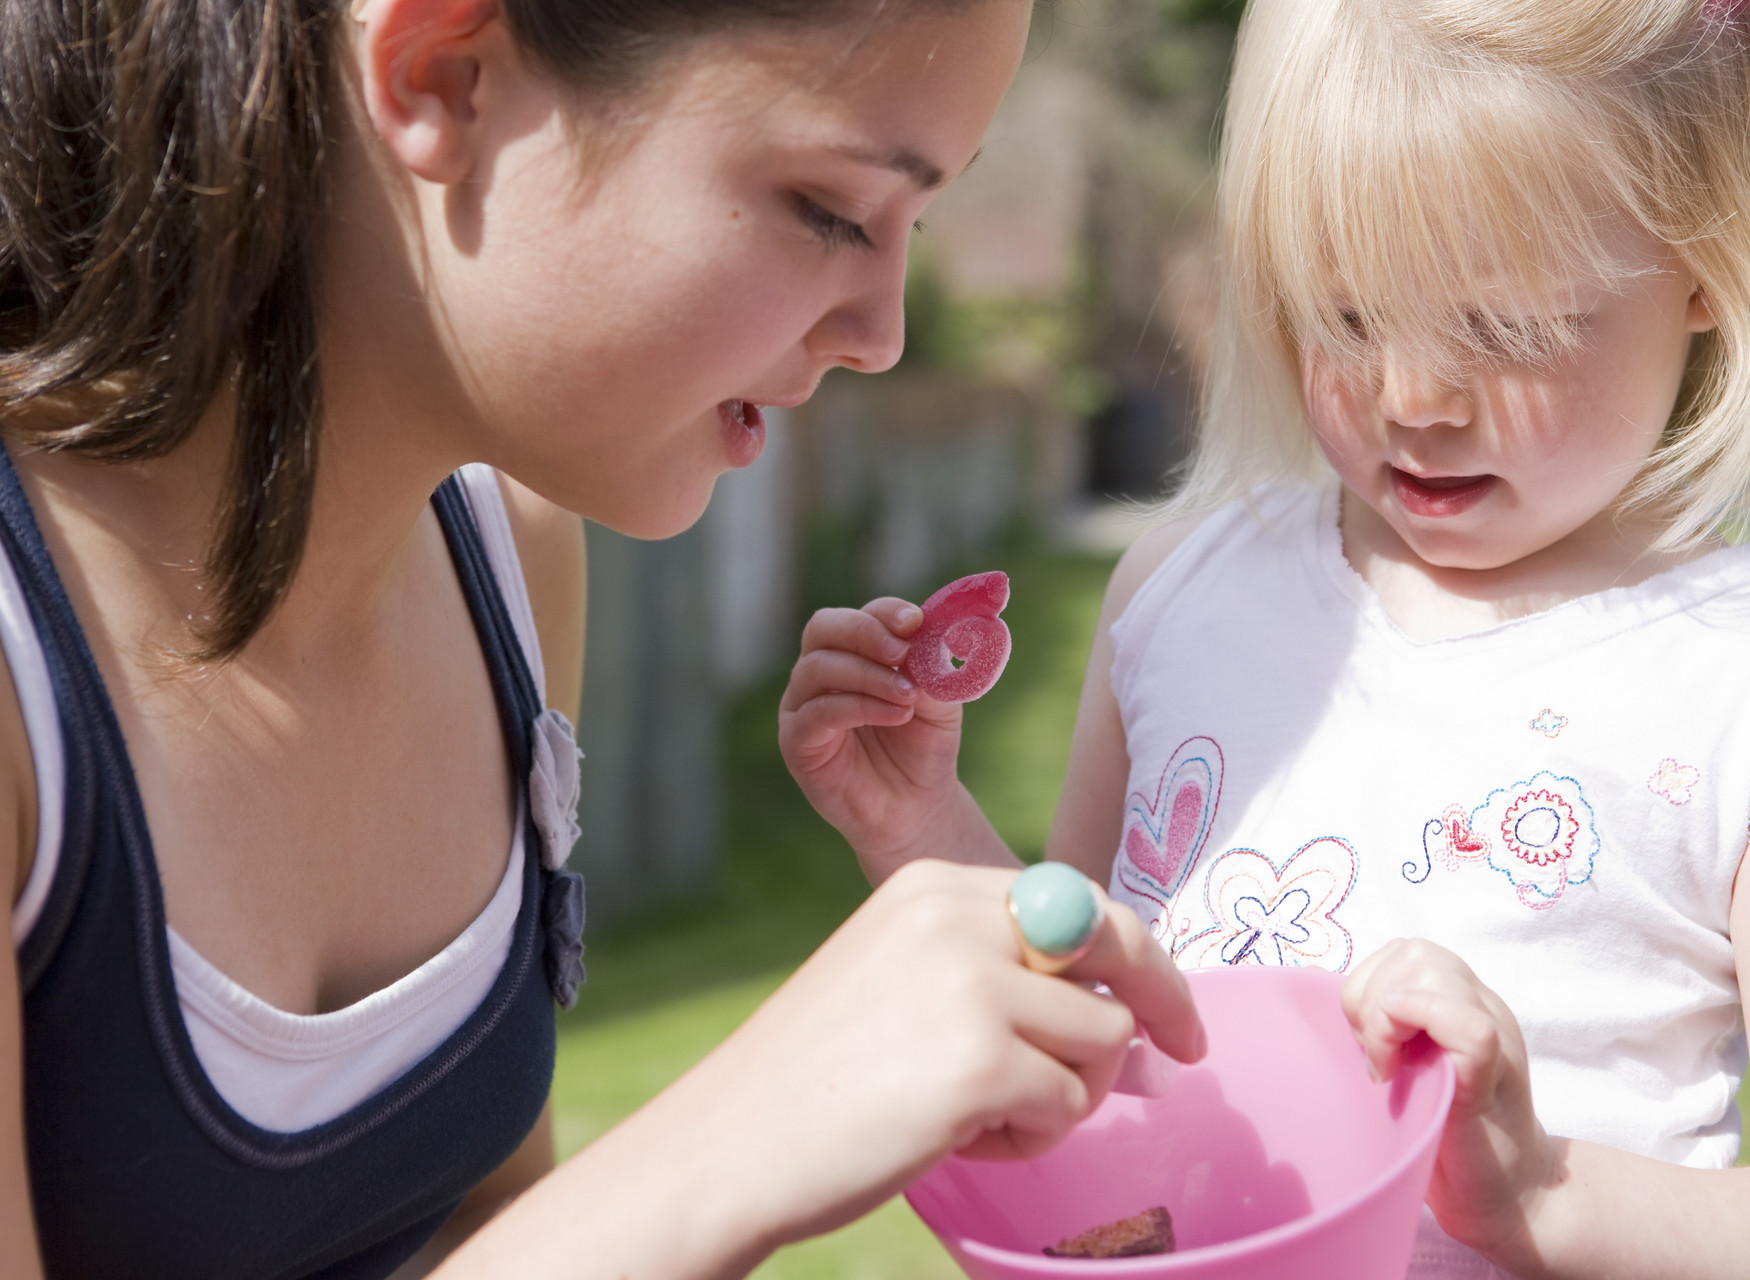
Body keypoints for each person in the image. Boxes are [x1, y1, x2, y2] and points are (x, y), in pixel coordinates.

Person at [0, 1, 1208, 1277]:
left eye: (921, 227)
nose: (883, 334)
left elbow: (480, 1227)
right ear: (445, 78)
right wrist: (740, 1135)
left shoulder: (513, 563)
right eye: (835, 210)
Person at [780, 0, 1750, 1275]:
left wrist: (1544, 1190)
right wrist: (921, 834)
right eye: (1350, 315)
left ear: (1710, 264)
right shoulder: (1179, 595)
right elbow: (1099, 1018)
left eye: (1504, 328)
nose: (1414, 400)